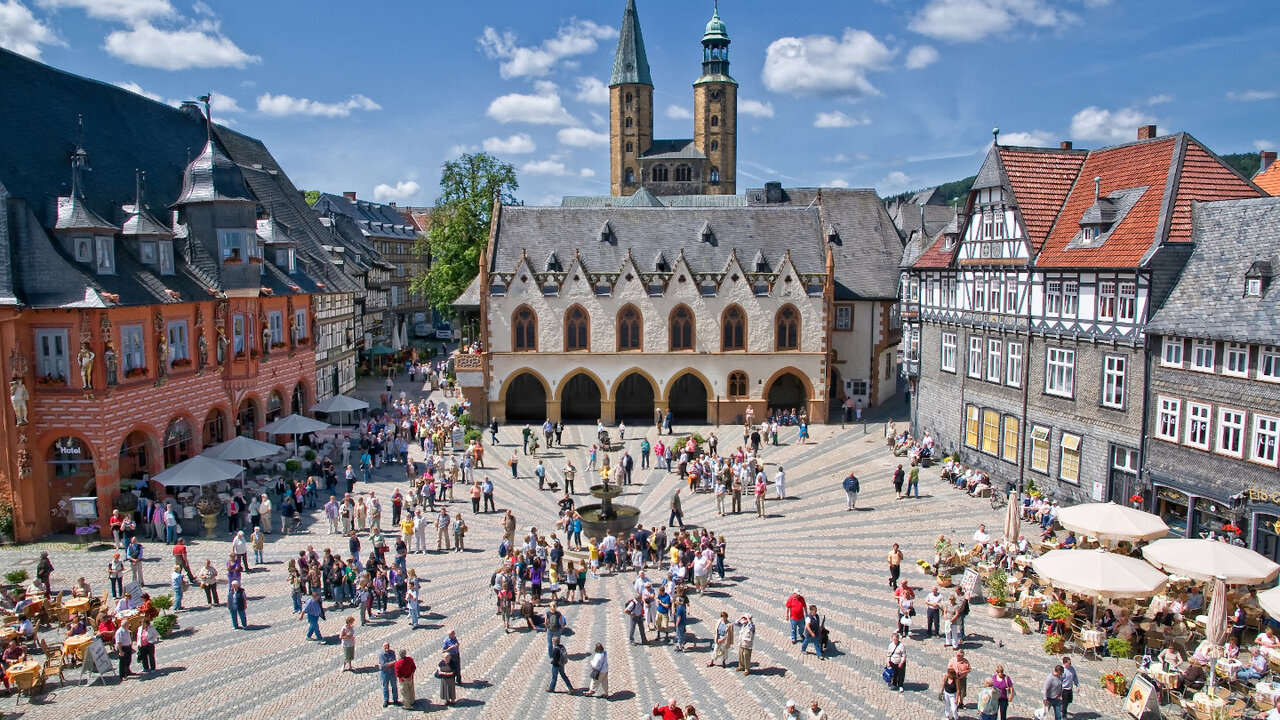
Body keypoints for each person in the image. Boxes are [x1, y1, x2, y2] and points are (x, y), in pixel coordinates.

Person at [379, 642, 399, 707]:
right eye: (385, 646)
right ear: (383, 647)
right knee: (385, 687)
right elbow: (384, 665)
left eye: (387, 646)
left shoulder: (392, 653)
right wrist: (391, 664)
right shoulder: (381, 655)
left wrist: (389, 664)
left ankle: (395, 699)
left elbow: (394, 661)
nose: (386, 647)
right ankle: (386, 700)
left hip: (392, 672)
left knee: (394, 686)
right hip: (385, 673)